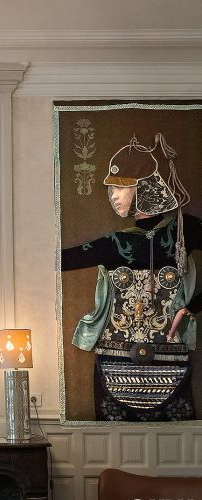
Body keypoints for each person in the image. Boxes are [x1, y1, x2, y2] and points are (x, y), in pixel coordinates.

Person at [62, 133, 201, 421]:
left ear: (145, 187)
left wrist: (191, 308)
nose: (113, 195)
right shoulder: (114, 243)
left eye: (120, 188)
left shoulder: (185, 231)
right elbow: (59, 260)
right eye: (111, 189)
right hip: (115, 360)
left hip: (170, 355)